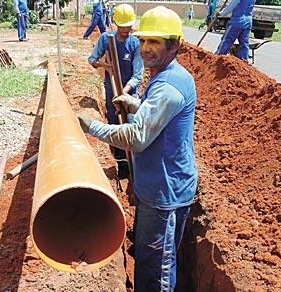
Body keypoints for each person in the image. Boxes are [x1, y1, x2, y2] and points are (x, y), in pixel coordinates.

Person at [77, 6, 198, 291]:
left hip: (164, 192)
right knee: (146, 255)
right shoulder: (165, 75)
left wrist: (92, 127)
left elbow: (137, 137)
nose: (145, 49)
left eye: (154, 42)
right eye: (143, 41)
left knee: (158, 270)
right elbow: (157, 120)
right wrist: (136, 105)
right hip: (152, 186)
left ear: (175, 44)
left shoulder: (169, 86)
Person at [87, 3, 144, 179]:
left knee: (131, 127)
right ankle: (122, 164)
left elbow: (138, 75)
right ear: (116, 23)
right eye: (123, 25)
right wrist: (107, 65)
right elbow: (92, 60)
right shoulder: (106, 39)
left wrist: (124, 93)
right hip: (111, 93)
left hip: (130, 94)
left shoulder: (135, 44)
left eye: (129, 26)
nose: (126, 29)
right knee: (114, 126)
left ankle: (137, 167)